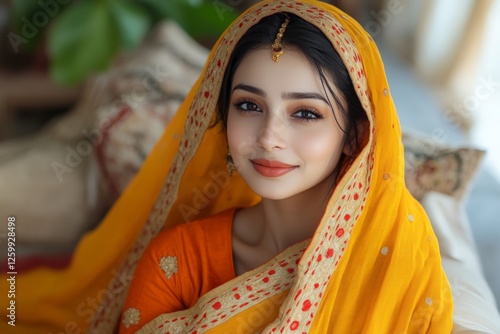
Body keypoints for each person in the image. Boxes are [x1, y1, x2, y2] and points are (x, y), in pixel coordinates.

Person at [0, 1, 453, 333]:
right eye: (248, 105)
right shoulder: (176, 263)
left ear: (354, 134)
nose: (269, 137)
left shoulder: (396, 255)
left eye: (306, 113)